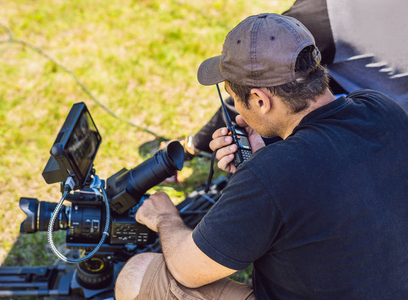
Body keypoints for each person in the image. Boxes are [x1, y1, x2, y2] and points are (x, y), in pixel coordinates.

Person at [115, 13, 408, 299]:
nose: (238, 110)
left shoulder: (270, 175)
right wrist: (264, 158)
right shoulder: (381, 107)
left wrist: (165, 217)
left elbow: (186, 269)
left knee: (138, 274)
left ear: (259, 100)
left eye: (234, 98)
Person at [182, 0, 408, 158]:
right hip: (390, 114)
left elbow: (249, 87)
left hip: (383, 129)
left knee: (281, 112)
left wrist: (193, 146)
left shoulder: (321, 16)